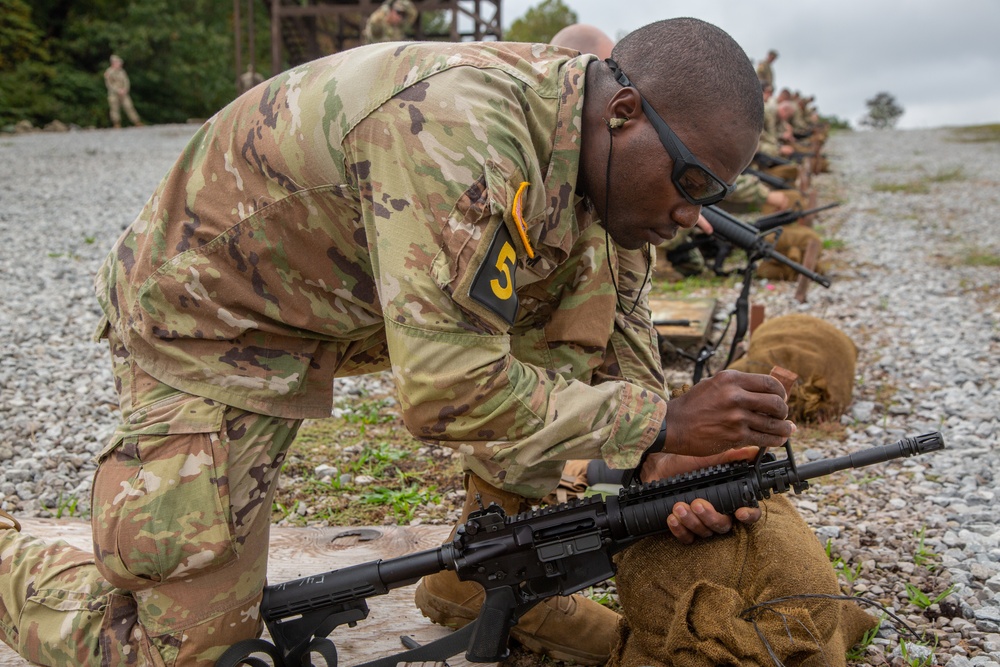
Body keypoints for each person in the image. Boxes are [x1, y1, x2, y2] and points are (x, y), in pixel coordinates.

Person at [0, 18, 794, 666]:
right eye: (692, 184)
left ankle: (487, 581)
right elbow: (445, 388)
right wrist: (662, 424)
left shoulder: (610, 190)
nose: (696, 216)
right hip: (213, 316)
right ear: (623, 115)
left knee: (575, 313)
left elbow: (621, 365)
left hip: (347, 299)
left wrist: (666, 467)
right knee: (179, 655)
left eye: (714, 198)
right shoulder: (464, 130)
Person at [103, 54, 142, 129]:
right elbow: (109, 84)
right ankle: (116, 124)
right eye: (118, 62)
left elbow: (126, 81)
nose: (119, 64)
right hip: (114, 94)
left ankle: (136, 121)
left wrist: (125, 89)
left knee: (129, 106)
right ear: (113, 63)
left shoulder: (122, 71)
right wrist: (118, 90)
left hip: (124, 93)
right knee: (114, 109)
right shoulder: (109, 72)